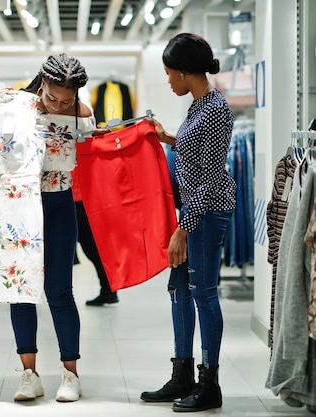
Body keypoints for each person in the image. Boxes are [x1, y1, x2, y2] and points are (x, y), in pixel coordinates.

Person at [139, 33, 236, 412]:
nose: (167, 81)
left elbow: (211, 177)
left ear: (183, 72)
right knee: (179, 288)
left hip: (207, 212)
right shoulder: (200, 104)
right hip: (193, 211)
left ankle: (208, 384)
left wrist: (183, 228)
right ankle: (182, 376)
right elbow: (197, 151)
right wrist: (168, 138)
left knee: (204, 293)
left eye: (168, 74)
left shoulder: (216, 110)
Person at [10, 53, 91, 403]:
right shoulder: (17, 108)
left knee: (60, 290)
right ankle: (29, 375)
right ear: (41, 83)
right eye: (52, 97)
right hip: (21, 206)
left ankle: (70, 375)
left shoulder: (82, 113)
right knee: (21, 290)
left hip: (60, 203)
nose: (59, 104)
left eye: (66, 100)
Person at [70, 168, 119, 306]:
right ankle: (109, 290)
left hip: (73, 195)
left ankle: (108, 290)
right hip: (82, 195)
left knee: (63, 250)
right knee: (92, 248)